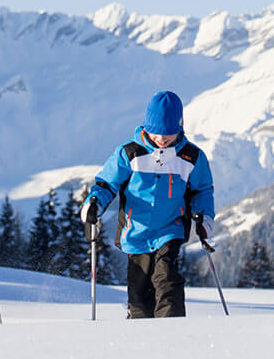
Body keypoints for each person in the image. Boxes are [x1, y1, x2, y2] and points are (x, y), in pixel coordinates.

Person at [82, 91, 215, 318]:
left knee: (167, 277)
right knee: (140, 291)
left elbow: (202, 189)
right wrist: (94, 204)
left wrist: (204, 217)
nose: (162, 139)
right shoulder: (129, 153)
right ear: (146, 126)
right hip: (136, 230)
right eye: (156, 133)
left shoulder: (190, 157)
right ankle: (140, 326)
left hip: (170, 227)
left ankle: (172, 326)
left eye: (168, 133)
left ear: (179, 127)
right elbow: (107, 184)